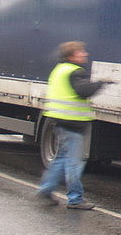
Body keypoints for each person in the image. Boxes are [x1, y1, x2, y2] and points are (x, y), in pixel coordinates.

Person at [36, 41, 108, 210]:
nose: (85, 54)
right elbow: (82, 91)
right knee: (74, 163)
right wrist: (100, 84)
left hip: (60, 121)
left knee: (61, 159)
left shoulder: (59, 69)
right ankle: (75, 199)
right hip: (71, 124)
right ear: (72, 56)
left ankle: (46, 189)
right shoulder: (74, 71)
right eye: (81, 52)